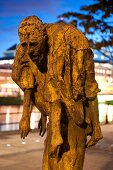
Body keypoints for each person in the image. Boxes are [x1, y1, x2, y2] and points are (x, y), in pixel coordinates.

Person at [12, 16, 103, 170]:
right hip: (55, 118)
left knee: (70, 162)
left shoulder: (67, 41)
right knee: (49, 164)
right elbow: (27, 78)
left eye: (33, 45)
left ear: (43, 38)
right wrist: (29, 114)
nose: (29, 51)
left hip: (74, 116)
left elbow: (89, 86)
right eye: (25, 45)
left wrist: (96, 125)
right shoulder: (24, 50)